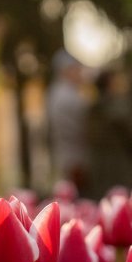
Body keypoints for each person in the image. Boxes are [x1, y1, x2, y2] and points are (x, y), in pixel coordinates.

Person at [86, 67, 132, 197]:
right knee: (120, 193)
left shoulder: (93, 107)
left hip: (100, 159)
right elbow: (126, 129)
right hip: (117, 158)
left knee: (104, 193)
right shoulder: (117, 105)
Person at [47, 50, 91, 193]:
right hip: (73, 157)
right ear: (66, 71)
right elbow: (82, 126)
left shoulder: (61, 92)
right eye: (76, 70)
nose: (80, 74)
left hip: (69, 155)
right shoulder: (65, 95)